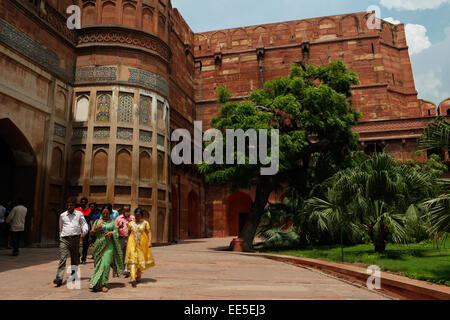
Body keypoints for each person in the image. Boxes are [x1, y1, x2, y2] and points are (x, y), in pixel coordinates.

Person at [53, 198, 88, 287]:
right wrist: (61, 236)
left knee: (75, 258)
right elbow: (60, 227)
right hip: (64, 239)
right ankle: (59, 278)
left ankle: (74, 274)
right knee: (62, 258)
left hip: (75, 239)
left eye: (71, 205)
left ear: (74, 205)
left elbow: (84, 224)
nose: (69, 207)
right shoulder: (63, 215)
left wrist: (84, 232)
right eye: (68, 205)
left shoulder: (79, 214)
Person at [89, 204, 123, 293]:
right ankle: (96, 283)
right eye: (103, 213)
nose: (105, 215)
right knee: (99, 265)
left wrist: (111, 233)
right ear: (101, 213)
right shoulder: (97, 221)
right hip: (98, 245)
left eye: (107, 213)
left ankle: (104, 284)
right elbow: (92, 233)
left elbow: (116, 232)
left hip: (109, 245)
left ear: (110, 213)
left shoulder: (112, 222)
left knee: (106, 264)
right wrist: (97, 228)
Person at [125, 207, 155, 286]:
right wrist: (127, 243)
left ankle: (138, 276)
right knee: (132, 259)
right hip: (132, 244)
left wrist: (149, 241)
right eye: (136, 215)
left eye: (139, 215)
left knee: (140, 260)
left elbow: (149, 232)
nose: (137, 217)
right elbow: (128, 233)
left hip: (142, 244)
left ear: (141, 215)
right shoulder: (131, 223)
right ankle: (132, 277)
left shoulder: (145, 223)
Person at [115, 205, 135, 278]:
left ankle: (128, 270)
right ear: (122, 211)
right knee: (121, 254)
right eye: (125, 210)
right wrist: (118, 227)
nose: (126, 212)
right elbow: (114, 228)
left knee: (129, 253)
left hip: (130, 238)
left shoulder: (132, 218)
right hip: (121, 238)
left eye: (128, 210)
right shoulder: (118, 218)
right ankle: (122, 269)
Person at [77, 197, 91, 264]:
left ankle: (83, 258)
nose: (83, 203)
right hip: (78, 227)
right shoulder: (76, 210)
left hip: (86, 227)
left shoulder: (89, 210)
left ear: (86, 203)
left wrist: (91, 229)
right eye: (82, 202)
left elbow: (90, 220)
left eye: (84, 202)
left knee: (85, 245)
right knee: (76, 244)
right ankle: (77, 256)